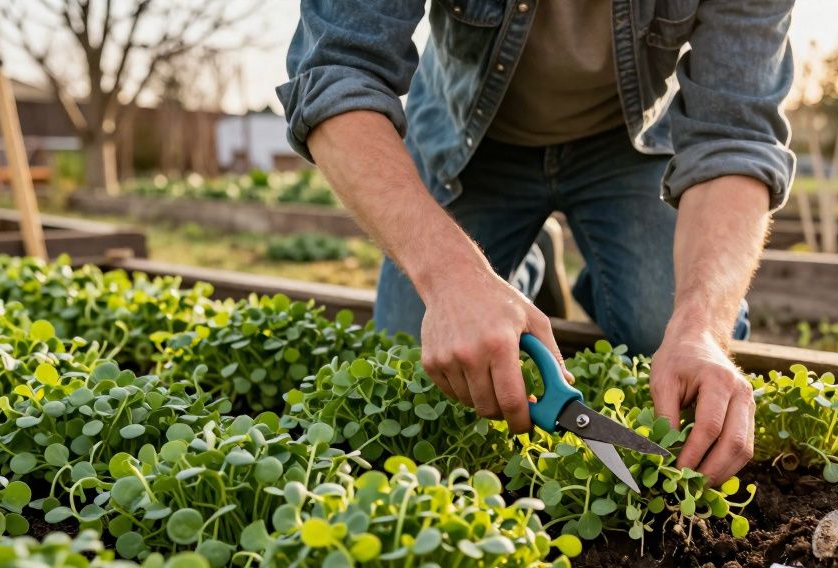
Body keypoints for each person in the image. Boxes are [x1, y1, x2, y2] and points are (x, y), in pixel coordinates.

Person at [278, 0, 795, 483]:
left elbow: (737, 136)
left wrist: (702, 328)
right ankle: (516, 266)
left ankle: (542, 270)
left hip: (629, 141)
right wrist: (453, 276)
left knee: (665, 331)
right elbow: (336, 76)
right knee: (417, 360)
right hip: (469, 139)